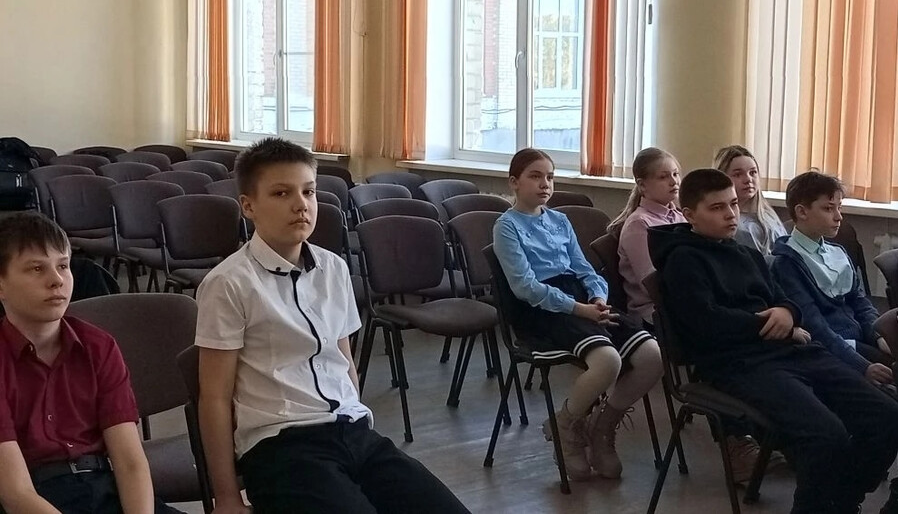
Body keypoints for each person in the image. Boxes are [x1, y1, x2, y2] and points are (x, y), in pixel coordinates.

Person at [194, 138, 470, 514]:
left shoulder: (333, 268)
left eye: (308, 191)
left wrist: (356, 417)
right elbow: (214, 397)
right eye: (281, 193)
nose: (301, 205)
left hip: (352, 430)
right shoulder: (229, 283)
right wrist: (226, 495)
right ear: (248, 205)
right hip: (283, 446)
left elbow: (343, 360)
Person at [648, 168, 898, 514]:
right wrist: (769, 322)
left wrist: (787, 312)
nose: (731, 214)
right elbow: (706, 323)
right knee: (825, 434)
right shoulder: (682, 260)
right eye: (717, 208)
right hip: (738, 365)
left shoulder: (747, 254)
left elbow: (785, 300)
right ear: (690, 215)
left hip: (792, 352)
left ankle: (841, 500)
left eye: (733, 204)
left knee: (888, 416)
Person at [493, 148, 662, 481]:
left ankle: (602, 426)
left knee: (651, 356)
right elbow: (526, 287)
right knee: (608, 361)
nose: (545, 184)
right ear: (514, 183)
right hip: (542, 308)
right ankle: (567, 425)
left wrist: (597, 297)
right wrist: (580, 309)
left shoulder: (559, 220)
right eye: (535, 176)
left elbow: (585, 269)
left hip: (582, 299)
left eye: (550, 177)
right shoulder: (506, 226)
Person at [0, 212, 178, 514]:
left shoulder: (98, 346)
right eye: (36, 269)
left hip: (101, 486)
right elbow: (16, 494)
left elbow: (130, 462)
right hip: (36, 498)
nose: (56, 280)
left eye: (63, 266)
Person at [771, 172, 895, 380]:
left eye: (839, 207)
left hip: (860, 338)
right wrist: (863, 366)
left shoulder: (837, 252)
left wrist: (878, 336)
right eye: (828, 208)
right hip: (833, 350)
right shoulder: (787, 263)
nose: (838, 216)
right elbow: (815, 326)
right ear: (802, 212)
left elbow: (860, 303)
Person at [607, 147, 684, 327]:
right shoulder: (639, 224)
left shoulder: (681, 216)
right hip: (652, 313)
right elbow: (651, 284)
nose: (674, 181)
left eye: (675, 174)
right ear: (642, 185)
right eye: (663, 177)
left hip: (681, 301)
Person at [714, 145, 787, 254]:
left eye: (753, 173)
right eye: (738, 174)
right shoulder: (730, 225)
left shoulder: (768, 215)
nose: (748, 179)